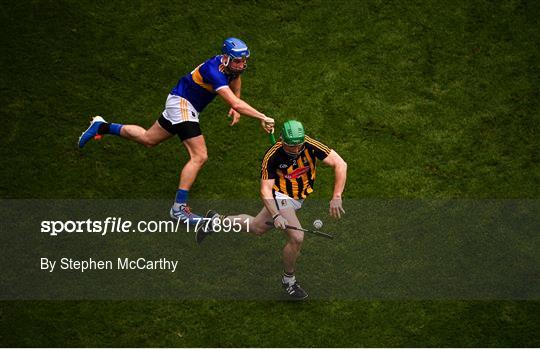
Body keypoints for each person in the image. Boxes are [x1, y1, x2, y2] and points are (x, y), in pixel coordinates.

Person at [77, 38, 275, 223]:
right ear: (227, 58)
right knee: (200, 155)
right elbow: (234, 101)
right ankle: (179, 209)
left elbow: (235, 82)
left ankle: (101, 126)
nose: (242, 65)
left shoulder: (231, 67)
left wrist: (236, 100)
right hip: (182, 104)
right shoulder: (213, 70)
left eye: (244, 61)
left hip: (182, 104)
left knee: (148, 139)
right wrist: (261, 116)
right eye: (238, 61)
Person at [196, 120, 347, 300]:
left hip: (298, 197)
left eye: (298, 145)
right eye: (291, 146)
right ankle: (288, 280)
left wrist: (337, 196)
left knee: (257, 227)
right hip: (281, 197)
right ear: (282, 140)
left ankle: (215, 221)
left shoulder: (309, 144)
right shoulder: (272, 156)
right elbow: (265, 190)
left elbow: (340, 163)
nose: (296, 150)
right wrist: (276, 215)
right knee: (297, 237)